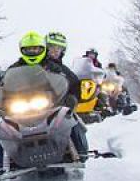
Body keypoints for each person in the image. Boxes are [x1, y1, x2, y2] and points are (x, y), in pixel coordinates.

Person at [8, 31, 89, 161]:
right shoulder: (15, 67)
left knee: (68, 115)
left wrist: (69, 94)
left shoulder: (55, 67)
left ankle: (80, 150)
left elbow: (71, 82)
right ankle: (2, 162)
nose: (33, 51)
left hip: (50, 104)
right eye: (29, 49)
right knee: (1, 124)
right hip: (22, 104)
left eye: (36, 48)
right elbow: (5, 83)